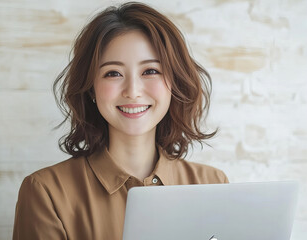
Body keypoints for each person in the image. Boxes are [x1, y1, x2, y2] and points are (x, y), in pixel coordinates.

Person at [13, 2, 228, 239]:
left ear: (174, 83)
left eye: (150, 71)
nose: (133, 91)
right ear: (91, 89)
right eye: (113, 73)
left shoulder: (213, 184)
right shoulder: (46, 192)